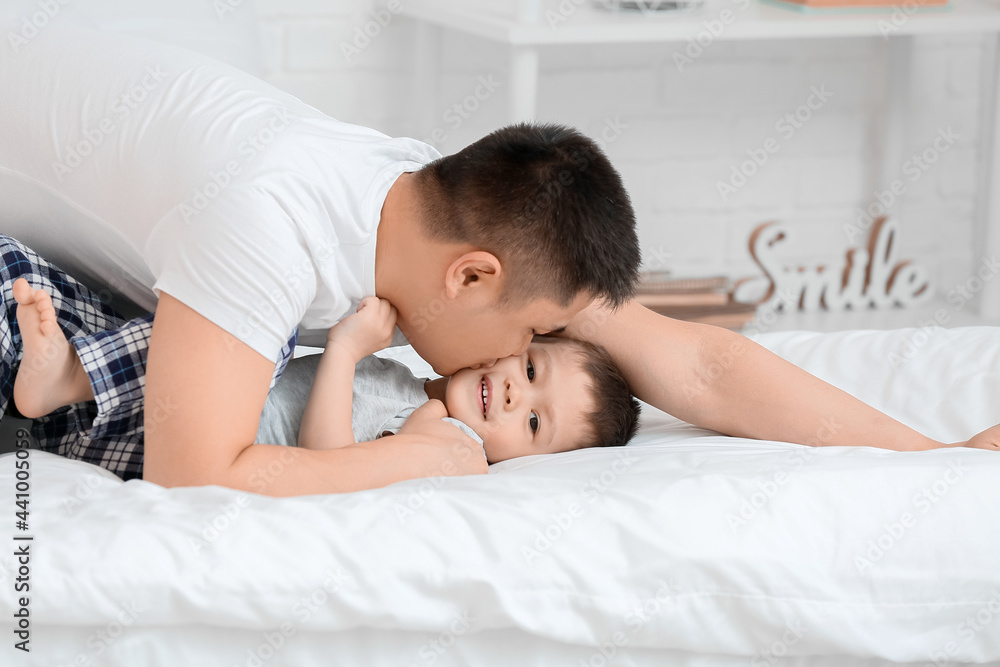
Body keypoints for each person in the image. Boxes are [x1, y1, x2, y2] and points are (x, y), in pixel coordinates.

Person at [2, 27, 997, 499]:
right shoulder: (268, 221)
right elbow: (193, 476)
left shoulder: (413, 194)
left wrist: (932, 460)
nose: (532, 348)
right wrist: (408, 456)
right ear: (471, 276)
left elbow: (694, 362)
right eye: (531, 335)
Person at [10, 277, 640, 479]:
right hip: (157, 411)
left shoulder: (449, 443)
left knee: (250, 337)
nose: (512, 392)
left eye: (533, 421)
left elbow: (330, 459)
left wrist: (342, 350)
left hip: (176, 436)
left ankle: (67, 377)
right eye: (530, 370)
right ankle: (65, 367)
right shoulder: (403, 378)